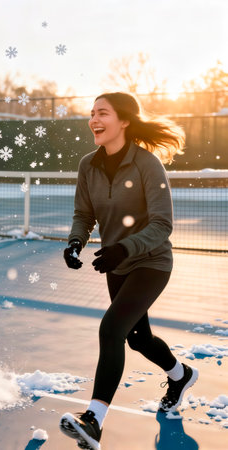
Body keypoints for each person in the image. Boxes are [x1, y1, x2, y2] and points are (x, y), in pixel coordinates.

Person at [59, 92, 198, 449]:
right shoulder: (87, 165)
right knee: (137, 339)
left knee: (112, 329)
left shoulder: (147, 164)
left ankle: (94, 421)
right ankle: (181, 375)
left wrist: (123, 247)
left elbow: (162, 225)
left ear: (123, 121)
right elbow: (83, 214)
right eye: (91, 113)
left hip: (151, 262)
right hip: (117, 265)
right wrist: (76, 241)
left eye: (102, 113)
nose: (93, 120)